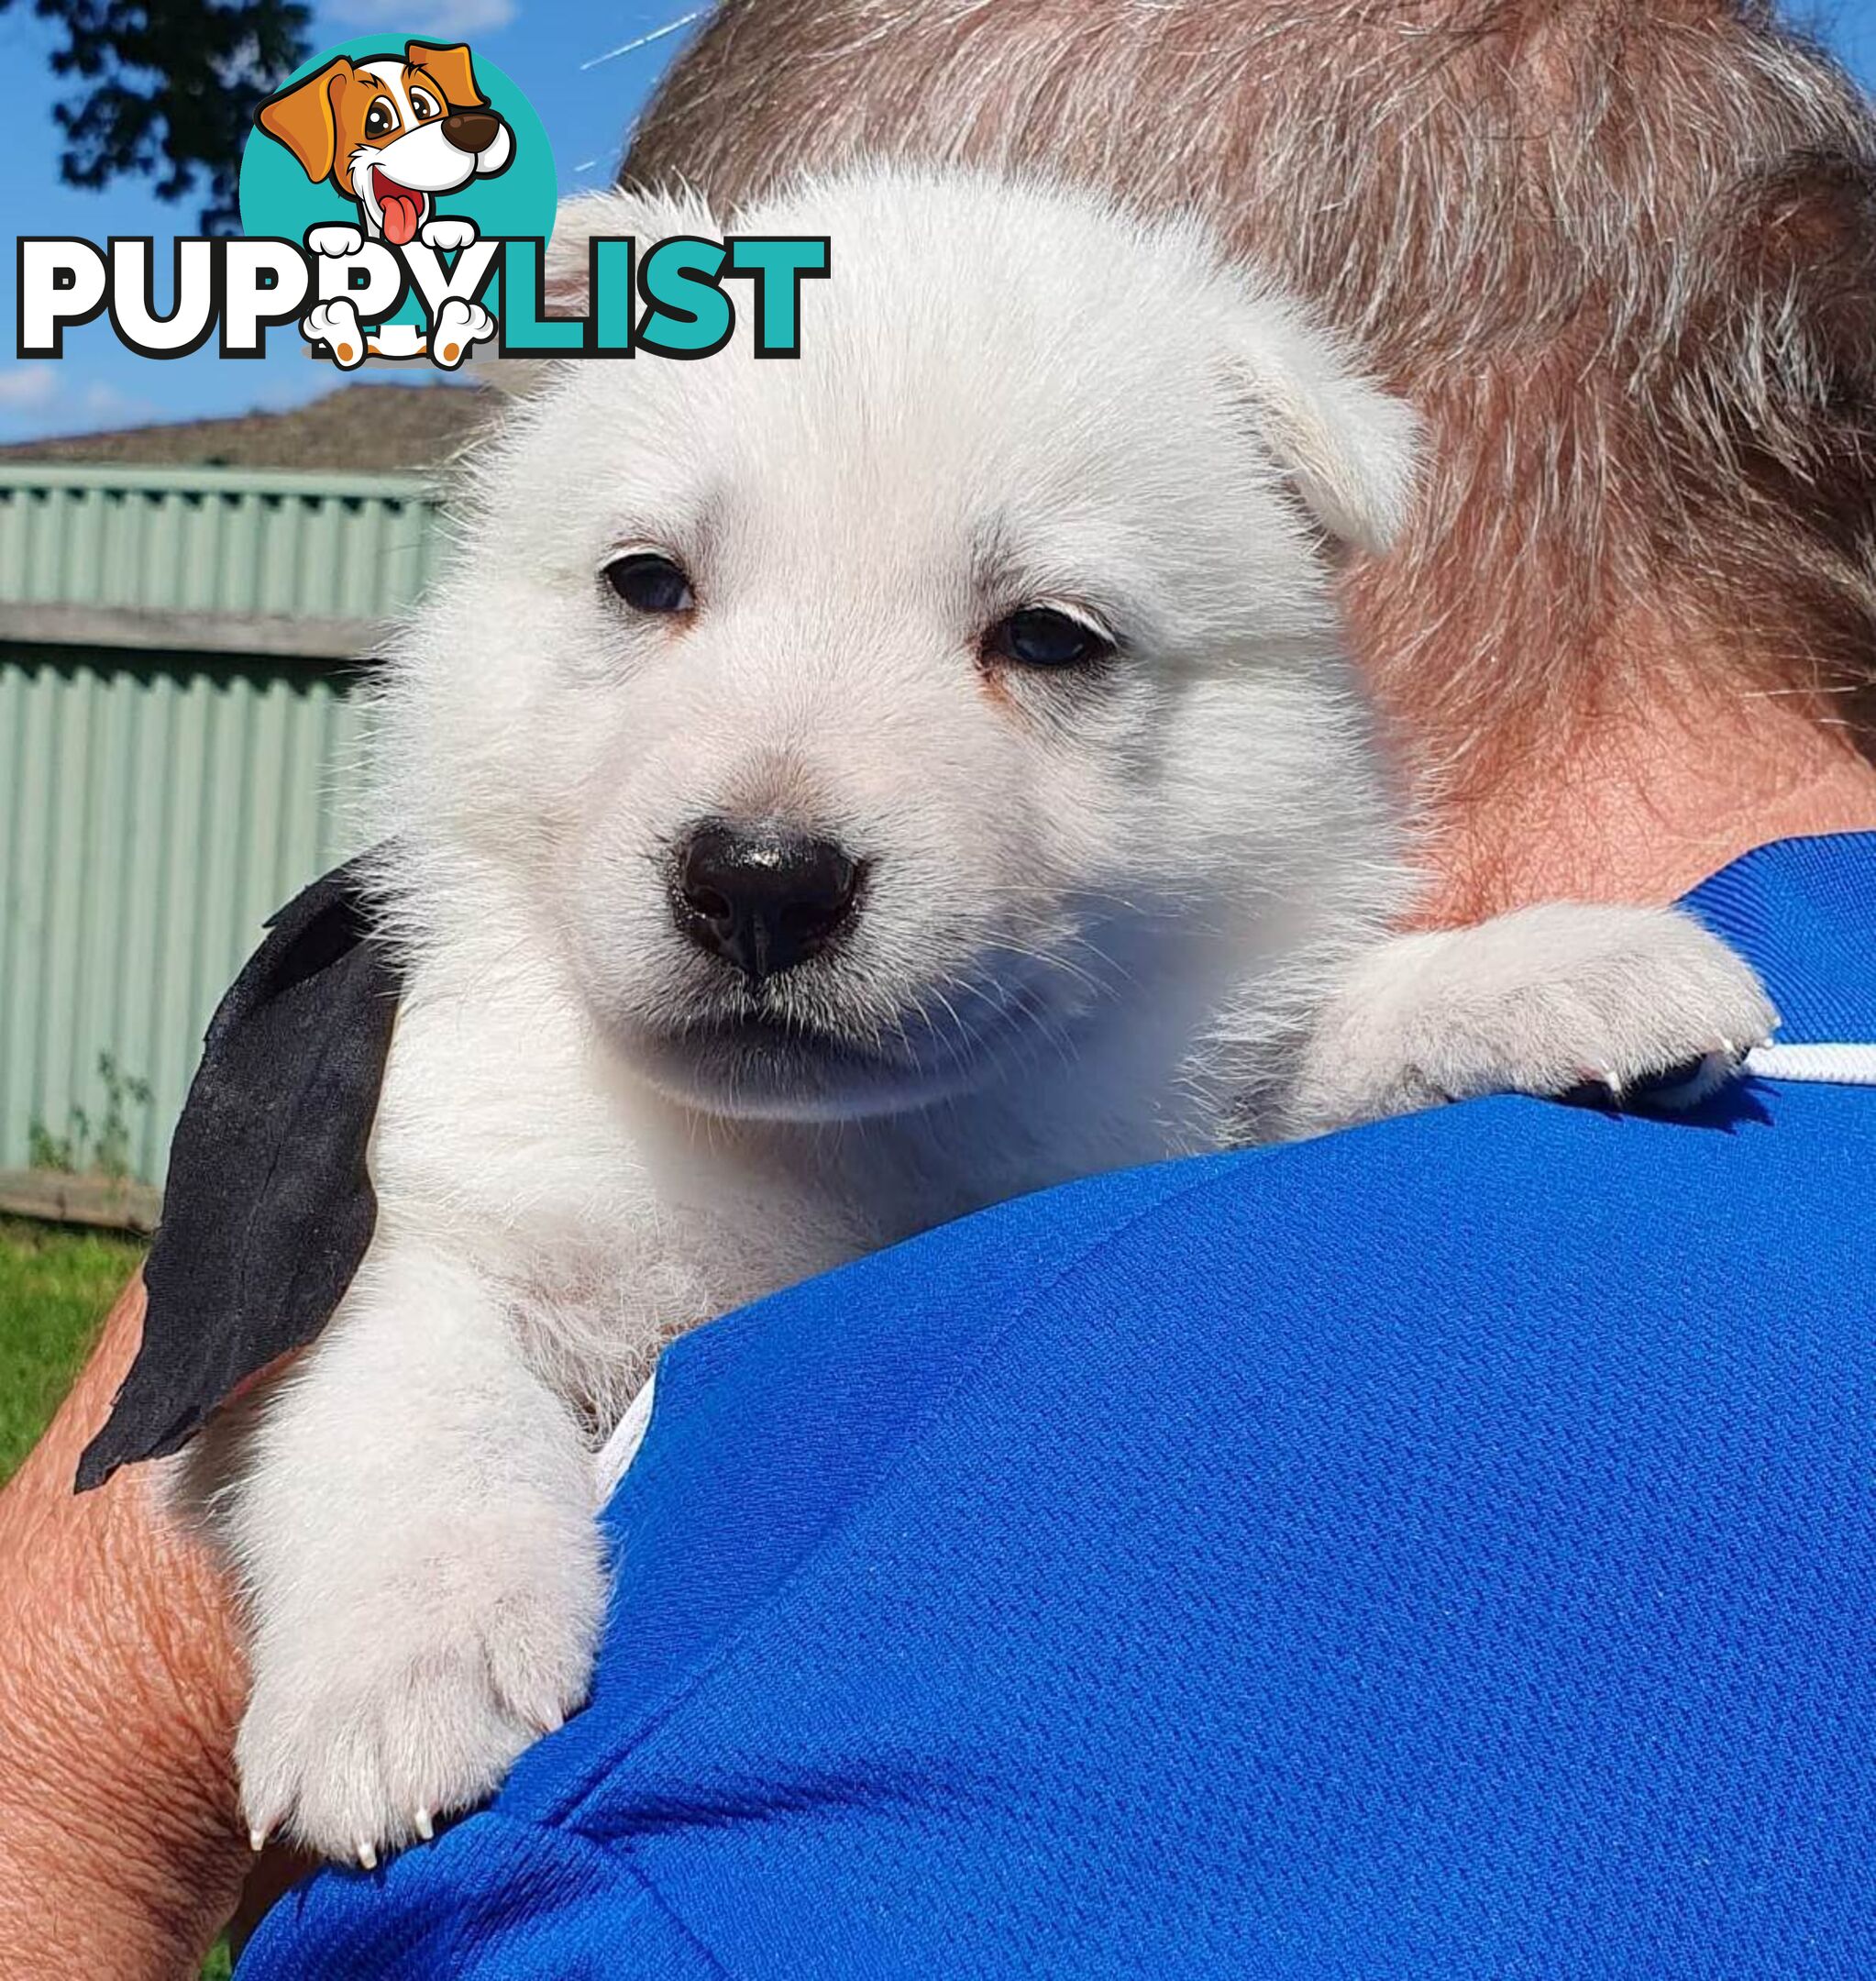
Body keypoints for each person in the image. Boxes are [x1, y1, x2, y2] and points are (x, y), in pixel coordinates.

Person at [4, 0, 1874, 1971]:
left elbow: (1213, 1085)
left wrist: (1403, 1016)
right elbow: (436, 1293)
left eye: (1044, 638)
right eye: (651, 586)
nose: (768, 819)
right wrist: (417, 1538)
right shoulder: (481, 1068)